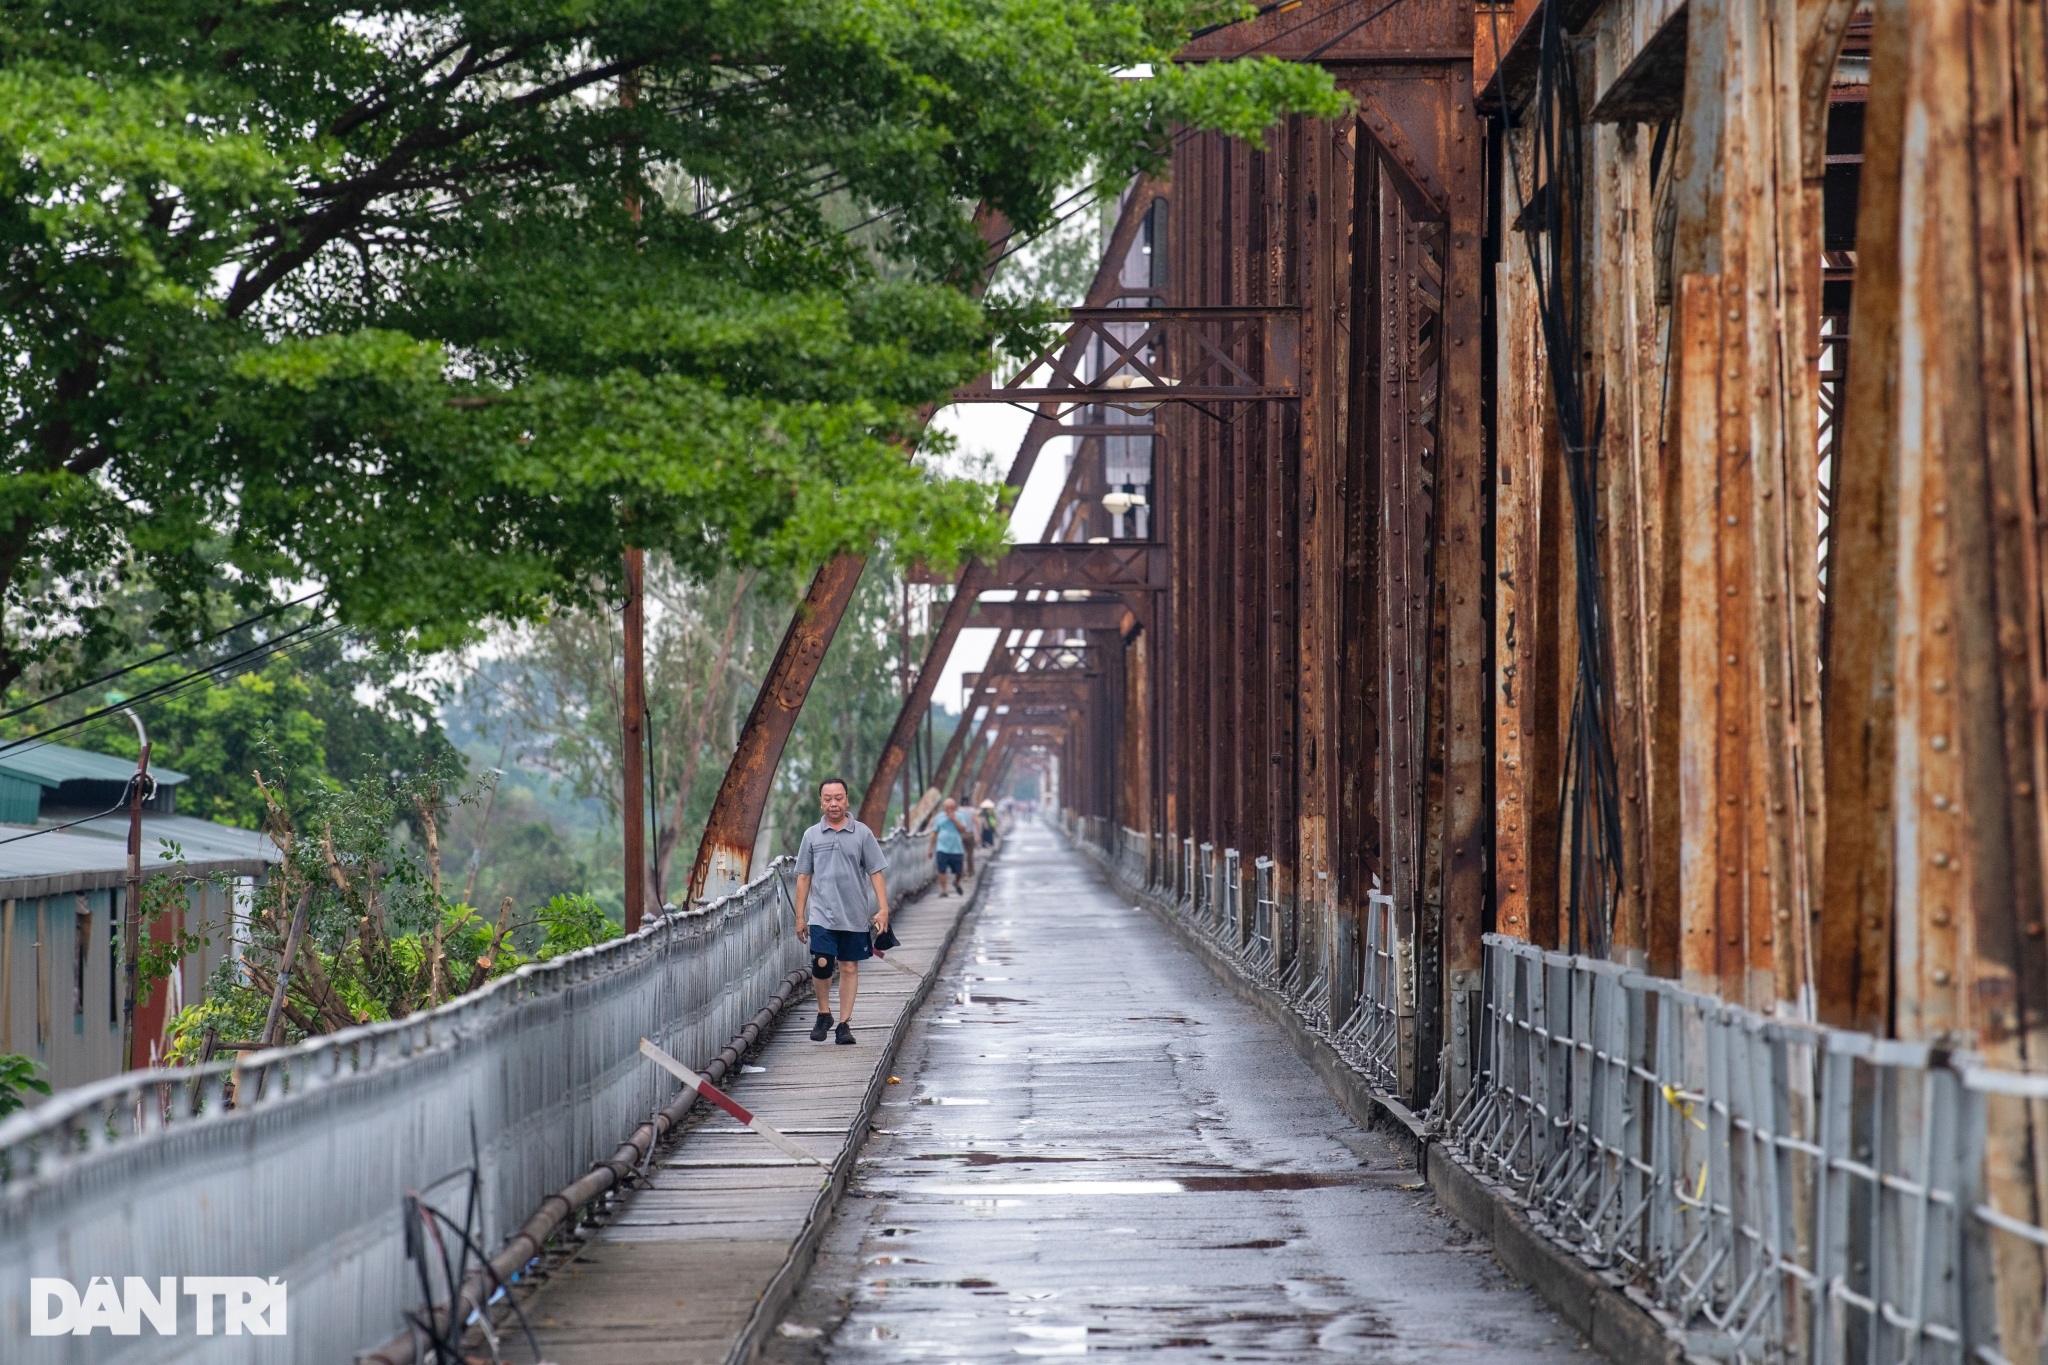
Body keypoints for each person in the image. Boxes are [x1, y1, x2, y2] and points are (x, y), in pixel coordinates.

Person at [793, 777, 892, 1045]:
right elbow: (803, 876)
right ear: (820, 802)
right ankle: (823, 1012)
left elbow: (875, 872)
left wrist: (883, 909)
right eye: (828, 799)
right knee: (822, 962)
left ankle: (844, 1024)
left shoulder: (862, 833)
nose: (833, 803)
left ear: (847, 800)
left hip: (854, 914)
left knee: (849, 967)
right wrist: (800, 916)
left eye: (838, 798)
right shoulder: (811, 835)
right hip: (822, 914)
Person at [928, 797, 971, 896]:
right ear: (944, 808)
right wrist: (930, 848)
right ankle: (944, 891)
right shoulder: (939, 817)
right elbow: (934, 832)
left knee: (959, 871)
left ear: (955, 808)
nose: (949, 810)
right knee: (941, 869)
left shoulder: (959, 816)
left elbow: (963, 829)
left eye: (951, 808)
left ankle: (956, 882)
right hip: (942, 848)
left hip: (956, 848)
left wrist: (954, 819)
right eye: (947, 808)